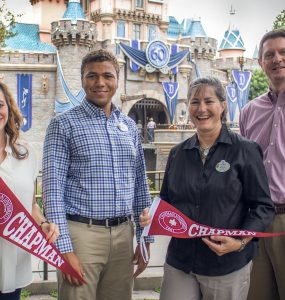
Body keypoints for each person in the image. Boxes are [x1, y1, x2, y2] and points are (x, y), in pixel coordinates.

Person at [140, 76, 275, 300]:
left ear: (223, 105)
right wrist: (152, 216)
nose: (201, 108)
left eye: (208, 101)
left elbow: (263, 206)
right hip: (180, 261)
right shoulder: (178, 153)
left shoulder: (245, 150)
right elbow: (166, 202)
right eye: (194, 102)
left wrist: (240, 241)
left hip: (226, 264)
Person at [42, 49, 153, 300]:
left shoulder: (129, 127)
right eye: (92, 76)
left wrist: (146, 240)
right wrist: (65, 249)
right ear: (82, 79)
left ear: (117, 79)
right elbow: (52, 190)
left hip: (125, 235)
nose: (100, 82)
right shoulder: (63, 124)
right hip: (82, 236)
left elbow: (139, 187)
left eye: (107, 75)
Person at [0, 82, 59, 300]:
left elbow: (30, 204)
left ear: (9, 109)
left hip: (14, 260)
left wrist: (43, 223)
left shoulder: (25, 153)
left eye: (0, 104)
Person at [239, 28, 285, 300]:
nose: (277, 59)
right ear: (260, 63)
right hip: (256, 221)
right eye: (270, 54)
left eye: (283, 52)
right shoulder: (248, 112)